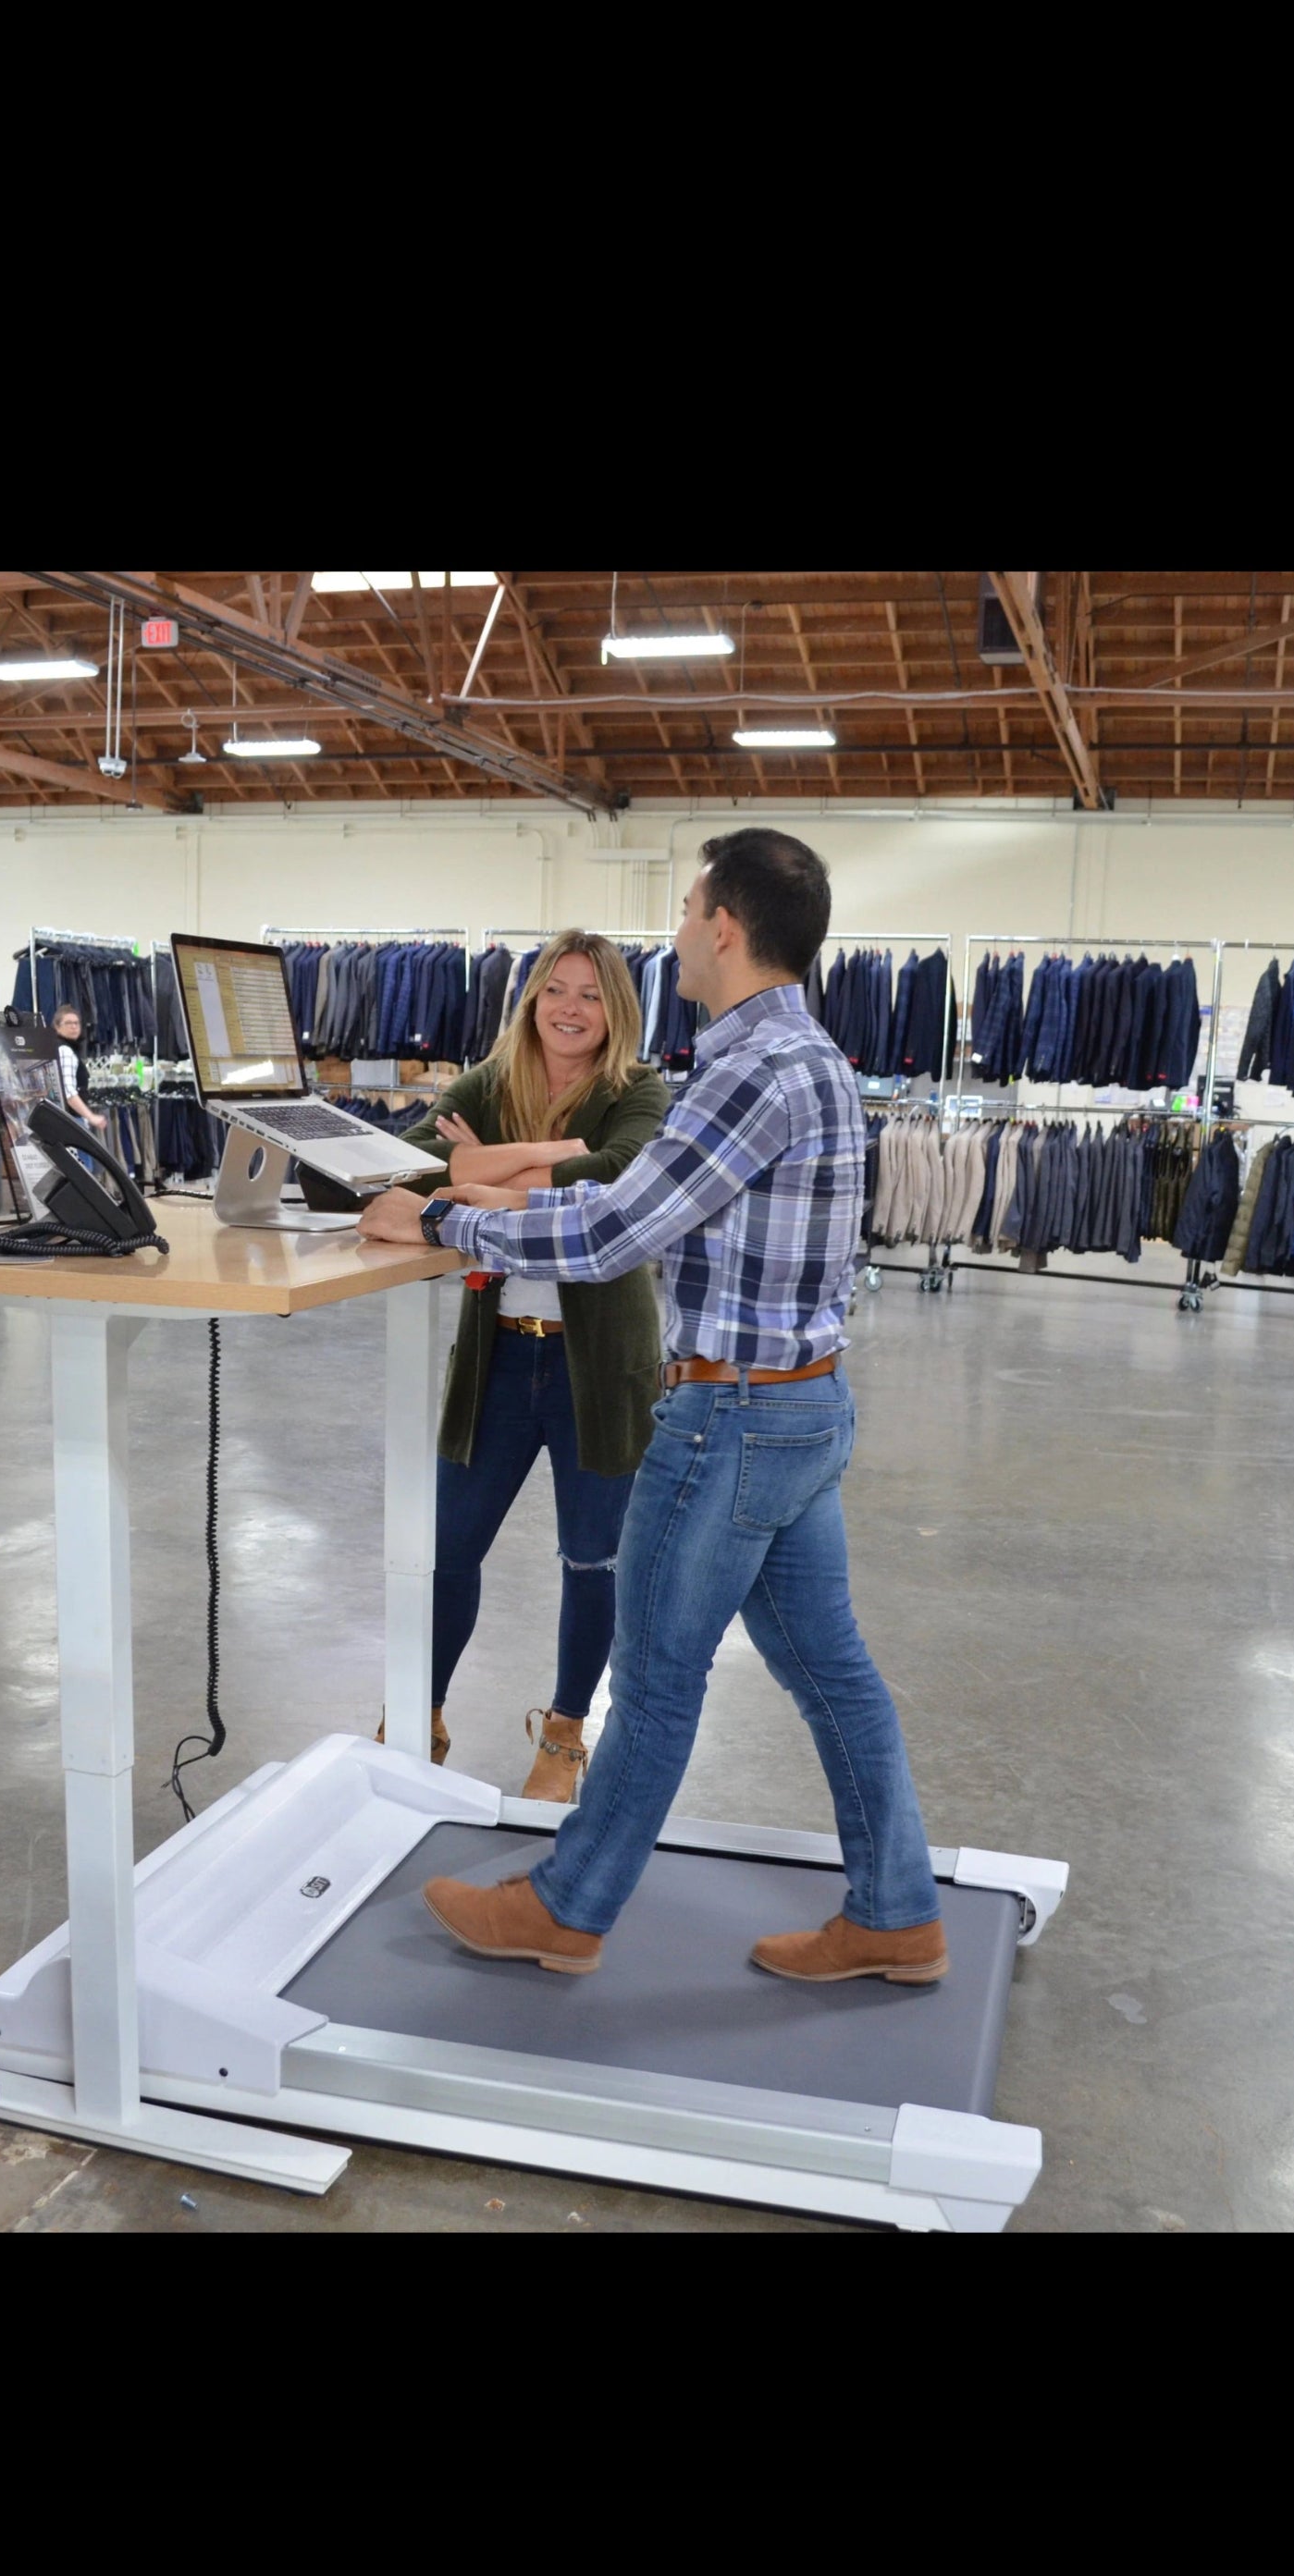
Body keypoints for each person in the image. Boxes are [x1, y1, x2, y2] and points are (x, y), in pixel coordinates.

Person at [358, 829, 950, 1985]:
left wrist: (441, 1219)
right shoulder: (812, 1055)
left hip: (730, 1415)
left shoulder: (750, 1066)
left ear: (723, 927)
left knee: (662, 1673)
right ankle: (895, 1910)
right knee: (831, 1669)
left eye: (685, 910)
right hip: (802, 1405)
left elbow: (614, 1229)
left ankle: (567, 1907)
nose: (675, 931)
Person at [377, 934, 670, 1796]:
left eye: (590, 994)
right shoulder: (490, 1083)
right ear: (532, 997)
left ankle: (565, 1740)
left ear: (616, 1008)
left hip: (599, 1368)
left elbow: (619, 1182)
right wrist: (525, 1161)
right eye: (555, 989)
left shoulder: (637, 1089)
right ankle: (416, 1712)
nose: (570, 1009)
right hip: (498, 1359)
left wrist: (480, 1172)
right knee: (448, 1550)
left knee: (592, 1560)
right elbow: (401, 1168)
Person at [50, 1003, 108, 1140]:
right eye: (68, 1023)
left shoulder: (59, 1048)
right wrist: (91, 1117)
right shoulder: (65, 1051)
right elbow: (68, 1091)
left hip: (66, 1120)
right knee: (81, 1161)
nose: (74, 1027)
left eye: (76, 1023)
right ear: (57, 1027)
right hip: (71, 1120)